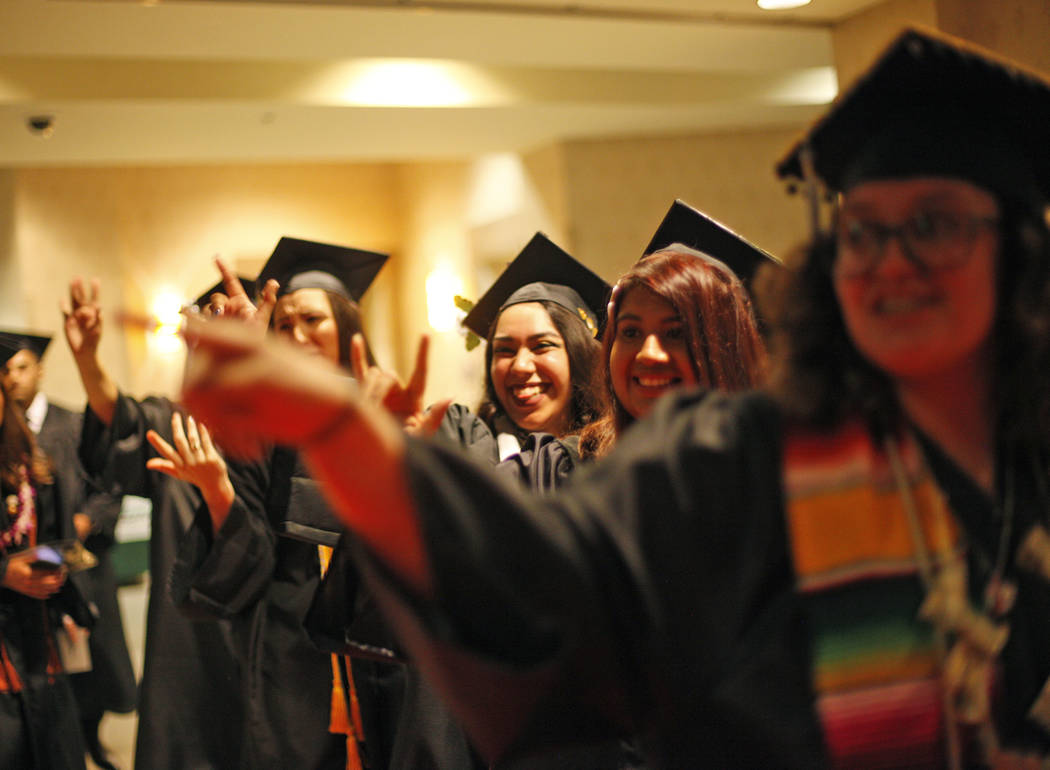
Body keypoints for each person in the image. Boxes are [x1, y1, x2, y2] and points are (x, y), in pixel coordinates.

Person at [179, 27, 1050, 768]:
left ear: (1016, 256)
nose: (890, 261)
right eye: (864, 232)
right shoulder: (737, 454)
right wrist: (344, 433)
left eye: (933, 224)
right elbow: (537, 582)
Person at [165, 238, 478, 770]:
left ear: (347, 326)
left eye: (312, 319)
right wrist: (218, 490)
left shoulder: (392, 405)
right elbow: (247, 548)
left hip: (386, 627)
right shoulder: (264, 428)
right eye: (283, 325)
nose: (297, 335)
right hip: (294, 643)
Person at [64, 277, 245, 770]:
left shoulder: (281, 436)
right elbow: (118, 416)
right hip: (186, 633)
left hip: (259, 626)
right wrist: (87, 359)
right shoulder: (175, 422)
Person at [0, 330, 135, 770]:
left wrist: (68, 601)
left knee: (66, 721)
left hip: (49, 611)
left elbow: (104, 491)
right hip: (9, 635)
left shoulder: (44, 448)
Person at [578, 201, 774, 458]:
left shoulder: (782, 475)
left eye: (675, 333)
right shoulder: (569, 469)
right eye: (630, 332)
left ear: (726, 349)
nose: (649, 354)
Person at [442, 233, 609, 492]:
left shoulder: (609, 458)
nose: (520, 366)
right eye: (505, 350)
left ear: (579, 357)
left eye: (542, 346)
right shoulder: (465, 451)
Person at [0, 374, 93, 769]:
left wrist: (65, 598)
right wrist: (3, 572)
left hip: (39, 629)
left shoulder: (27, 463)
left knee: (56, 746)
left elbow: (53, 537)